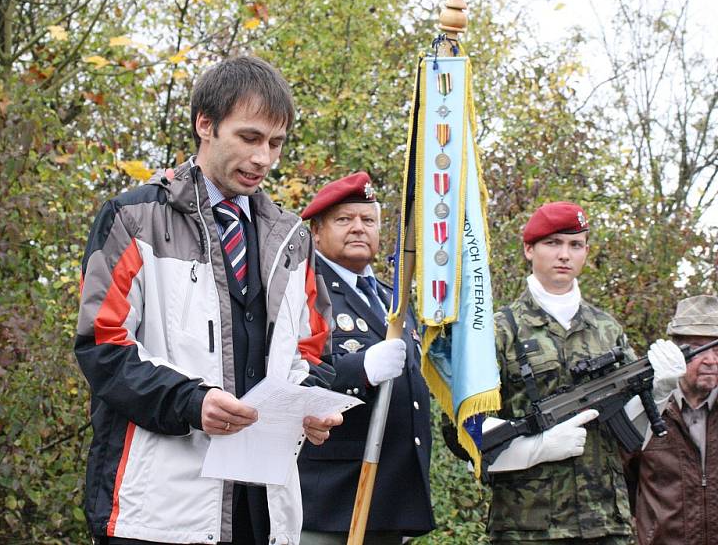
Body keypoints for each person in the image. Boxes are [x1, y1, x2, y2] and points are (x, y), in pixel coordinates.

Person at [75, 55, 342, 545]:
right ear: (205, 124)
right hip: (156, 511)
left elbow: (314, 350)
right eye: (250, 138)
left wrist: (310, 404)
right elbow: (103, 346)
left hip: (265, 510)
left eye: (276, 144)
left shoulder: (292, 239)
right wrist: (192, 402)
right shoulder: (133, 218)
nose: (264, 159)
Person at [445, 201, 685, 544]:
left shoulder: (607, 328)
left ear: (586, 252)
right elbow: (461, 432)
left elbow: (628, 435)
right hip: (527, 526)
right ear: (529, 249)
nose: (564, 255)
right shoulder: (496, 331)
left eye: (575, 245)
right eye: (553, 243)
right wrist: (537, 447)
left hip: (606, 522)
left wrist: (659, 390)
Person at [297, 172, 434, 545]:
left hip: (388, 498)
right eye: (344, 219)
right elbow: (290, 374)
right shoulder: (303, 289)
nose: (358, 228)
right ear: (317, 232)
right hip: (328, 501)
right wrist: (363, 369)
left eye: (368, 220)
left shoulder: (396, 301)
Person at [623, 294, 718, 545]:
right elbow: (620, 478)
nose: (711, 360)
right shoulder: (648, 407)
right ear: (676, 352)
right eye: (699, 349)